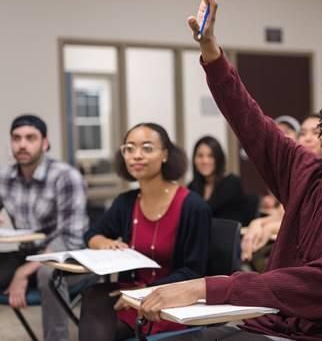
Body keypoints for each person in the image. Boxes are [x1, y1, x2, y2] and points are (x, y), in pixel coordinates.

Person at [137, 0, 322, 341]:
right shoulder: (308, 175)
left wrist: (205, 288)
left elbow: (316, 284)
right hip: (267, 325)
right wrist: (210, 50)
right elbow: (251, 121)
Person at [78, 123, 211, 341]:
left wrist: (145, 292)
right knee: (94, 294)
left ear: (165, 155)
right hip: (132, 293)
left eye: (147, 148)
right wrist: (103, 242)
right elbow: (92, 233)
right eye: (129, 149)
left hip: (172, 300)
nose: (136, 156)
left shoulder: (193, 207)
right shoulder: (126, 202)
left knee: (101, 324)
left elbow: (194, 272)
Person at [0, 114, 88, 341]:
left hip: (67, 256)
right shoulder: (4, 176)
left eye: (30, 138)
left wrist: (23, 272)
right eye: (16, 138)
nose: (22, 144)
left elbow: (71, 238)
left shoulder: (66, 177)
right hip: (26, 253)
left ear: (45, 143)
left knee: (48, 274)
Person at [241, 114, 322, 263]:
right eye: (303, 133)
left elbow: (305, 222)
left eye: (315, 133)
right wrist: (257, 224)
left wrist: (269, 228)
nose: (307, 138)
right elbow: (282, 215)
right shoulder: (298, 175)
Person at [188, 135, 250, 225]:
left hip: (229, 237)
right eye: (200, 156)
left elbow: (205, 213)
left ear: (219, 159)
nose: (205, 160)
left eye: (210, 156)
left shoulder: (231, 183)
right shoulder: (192, 187)